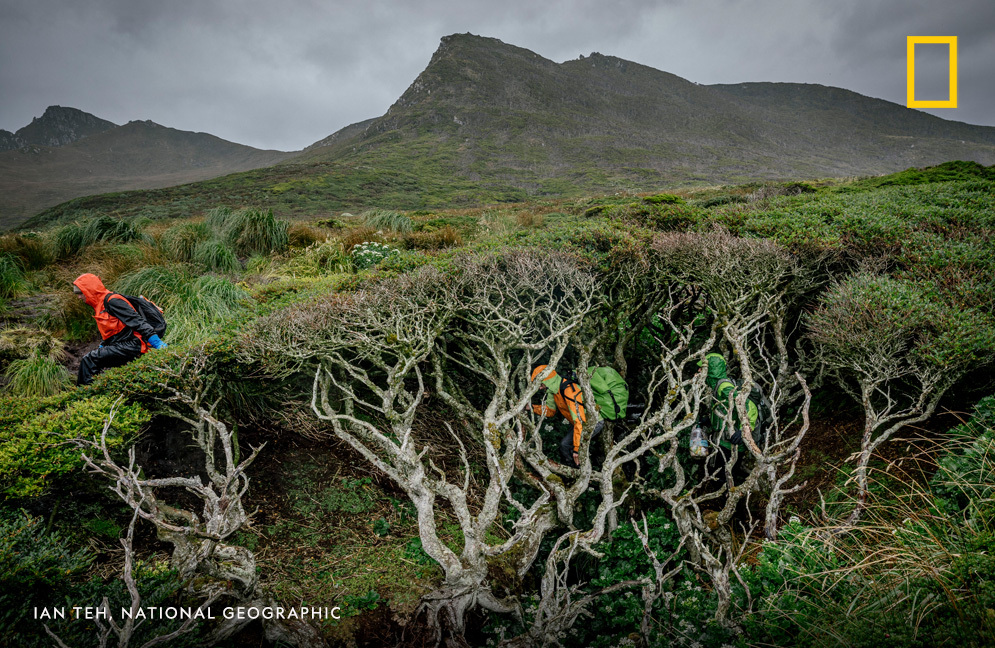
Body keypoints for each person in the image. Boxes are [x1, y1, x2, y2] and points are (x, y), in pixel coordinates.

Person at [73, 273, 167, 385]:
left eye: (80, 293)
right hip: (122, 345)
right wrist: (103, 346)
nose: (79, 297)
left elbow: (137, 322)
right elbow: (114, 331)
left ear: (89, 290)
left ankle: (84, 396)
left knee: (89, 360)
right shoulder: (99, 305)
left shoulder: (113, 301)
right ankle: (96, 391)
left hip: (134, 345)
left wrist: (156, 342)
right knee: (95, 360)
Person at [530, 364, 604, 468]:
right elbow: (550, 411)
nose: (538, 387)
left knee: (576, 449)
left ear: (547, 379)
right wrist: (531, 408)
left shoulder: (569, 391)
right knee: (565, 444)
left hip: (592, 422)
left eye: (540, 382)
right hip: (578, 423)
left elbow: (580, 420)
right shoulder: (554, 390)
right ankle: (573, 470)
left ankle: (583, 471)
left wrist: (577, 448)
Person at [699, 353, 760, 452]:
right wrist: (710, 419)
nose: (699, 370)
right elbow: (724, 409)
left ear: (712, 369)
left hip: (732, 443)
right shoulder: (716, 386)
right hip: (723, 442)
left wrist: (743, 431)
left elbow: (749, 406)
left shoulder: (724, 387)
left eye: (702, 368)